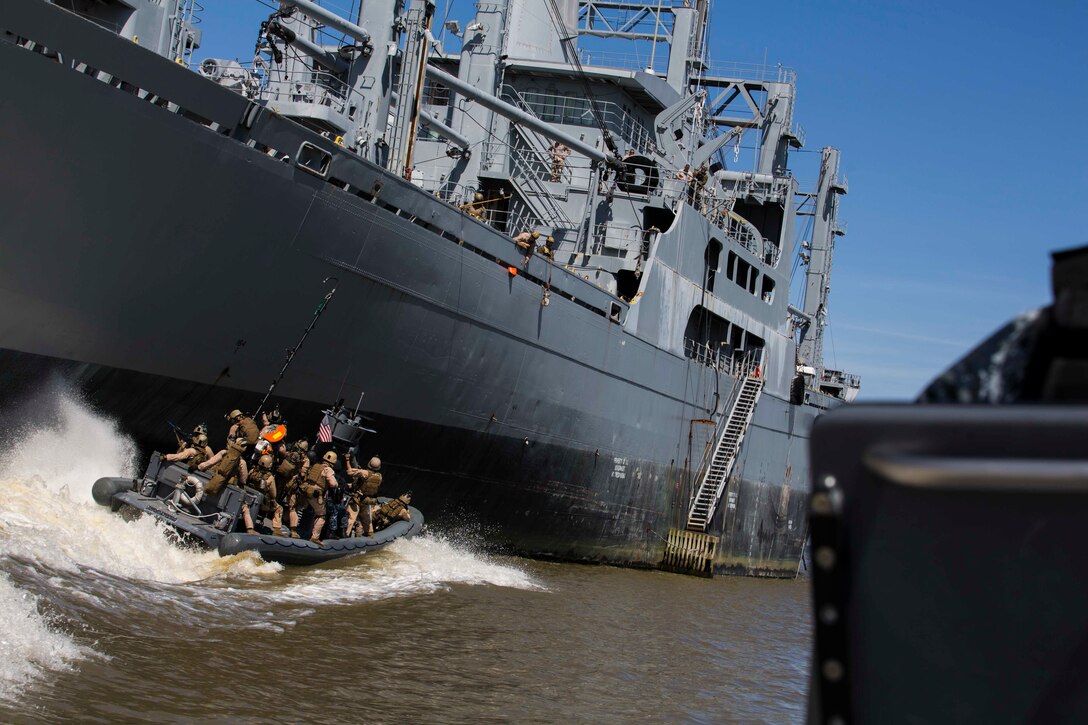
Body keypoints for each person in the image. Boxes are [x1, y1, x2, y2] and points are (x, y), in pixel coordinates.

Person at [299, 450, 339, 544]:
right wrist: (336, 484)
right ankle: (315, 537)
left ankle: (293, 528)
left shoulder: (316, 465)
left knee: (298, 509)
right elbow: (333, 484)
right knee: (322, 515)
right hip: (315, 495)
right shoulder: (328, 469)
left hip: (305, 489)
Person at [241, 454, 282, 536]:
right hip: (262, 502)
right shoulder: (270, 477)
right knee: (279, 508)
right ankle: (277, 530)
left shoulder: (252, 471)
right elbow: (274, 494)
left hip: (248, 497)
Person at [344, 455, 383, 537]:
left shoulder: (364, 473)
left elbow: (349, 472)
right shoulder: (379, 476)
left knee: (351, 518)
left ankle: (345, 535)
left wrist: (347, 460)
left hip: (357, 499)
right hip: (367, 500)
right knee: (366, 519)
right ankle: (370, 535)